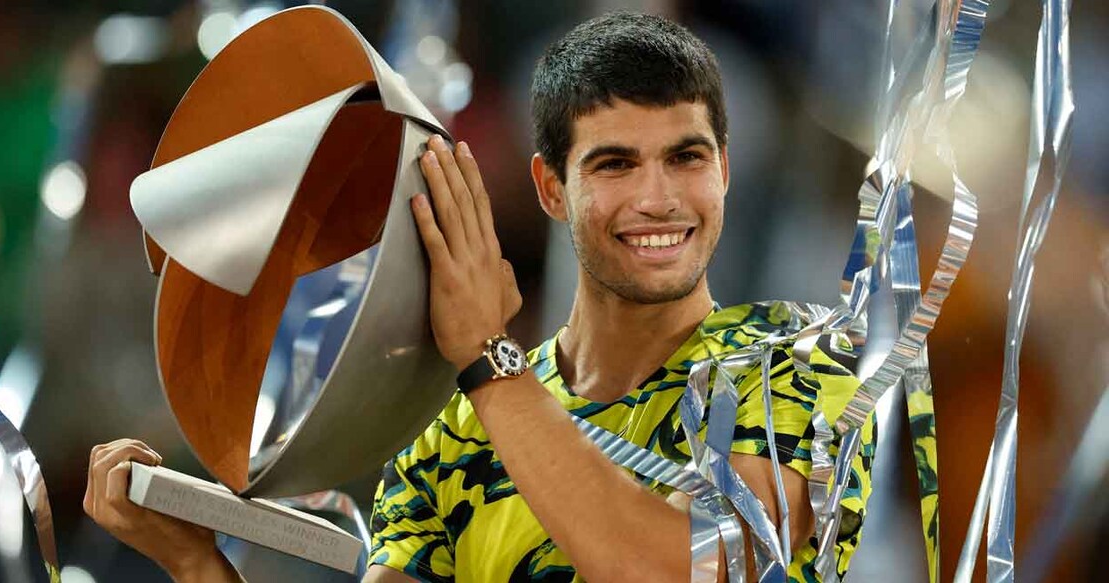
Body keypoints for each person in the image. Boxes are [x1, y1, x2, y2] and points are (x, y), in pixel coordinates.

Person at [85, 12, 875, 583]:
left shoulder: (800, 361)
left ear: (725, 170)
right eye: (613, 164)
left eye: (686, 157)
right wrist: (196, 564)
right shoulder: (449, 435)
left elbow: (672, 571)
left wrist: (488, 359)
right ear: (549, 188)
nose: (658, 198)